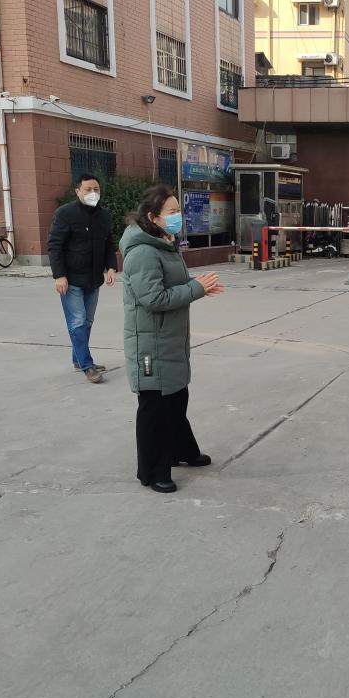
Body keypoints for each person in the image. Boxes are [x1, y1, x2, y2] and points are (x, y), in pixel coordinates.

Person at [120, 184, 223, 494]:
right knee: (155, 406)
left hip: (169, 338)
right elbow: (153, 298)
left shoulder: (165, 244)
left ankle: (181, 451)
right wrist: (195, 288)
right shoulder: (142, 252)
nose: (179, 216)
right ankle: (152, 472)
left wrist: (197, 286)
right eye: (173, 212)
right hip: (150, 343)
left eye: (179, 210)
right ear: (154, 217)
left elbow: (172, 283)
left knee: (176, 397)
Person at [47, 173, 118, 384]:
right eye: (88, 189)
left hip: (93, 280)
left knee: (87, 322)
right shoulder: (65, 213)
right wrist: (59, 275)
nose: (92, 193)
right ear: (78, 191)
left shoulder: (104, 215)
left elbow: (109, 243)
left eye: (96, 189)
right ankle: (87, 365)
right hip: (71, 280)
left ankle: (78, 359)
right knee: (77, 321)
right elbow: (55, 245)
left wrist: (111, 267)